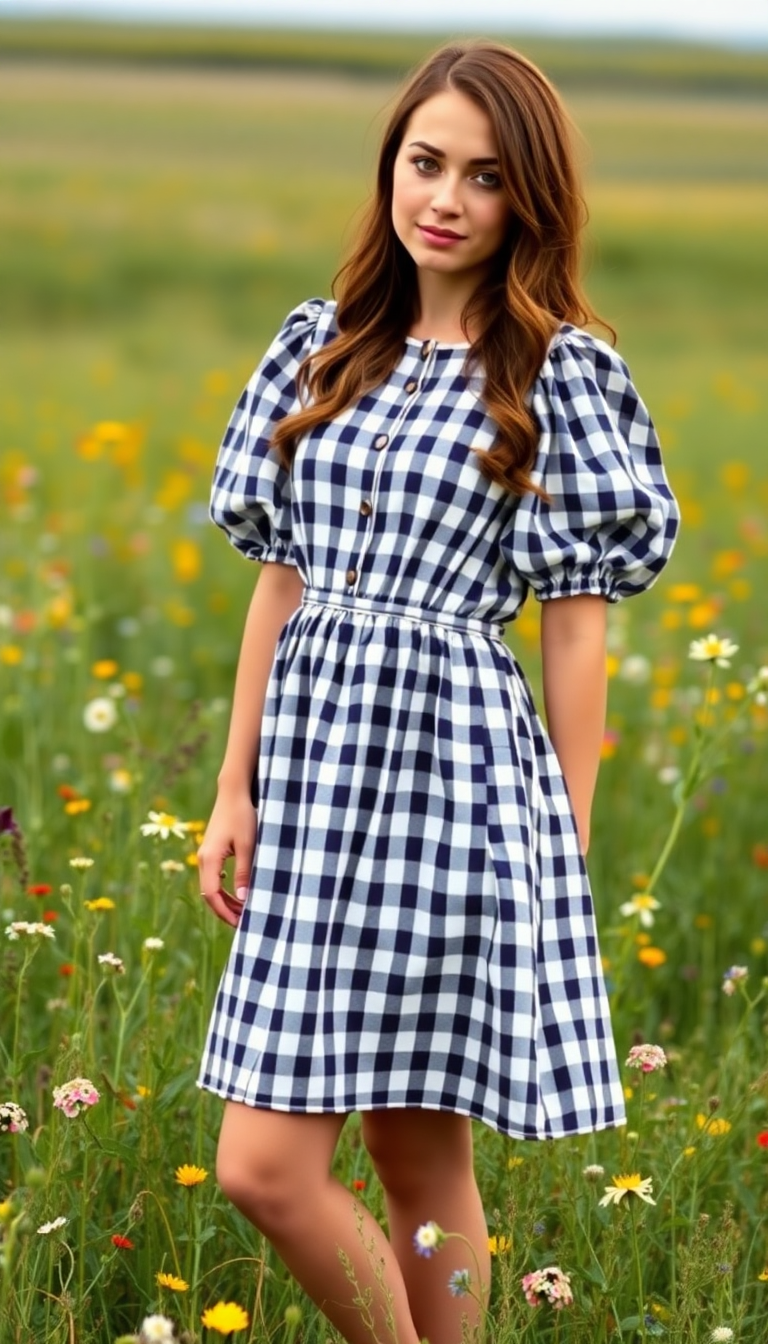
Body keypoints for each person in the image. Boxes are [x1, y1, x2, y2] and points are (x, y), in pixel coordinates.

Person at [196, 39, 680, 1344]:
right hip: (313, 787)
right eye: (426, 162)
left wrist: (566, 833)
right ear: (390, 167)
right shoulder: (326, 347)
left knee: (422, 1160)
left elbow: (576, 635)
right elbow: (280, 583)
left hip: (456, 787)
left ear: (529, 198)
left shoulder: (556, 376)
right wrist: (232, 786)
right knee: (265, 1168)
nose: (446, 197)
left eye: (483, 174)